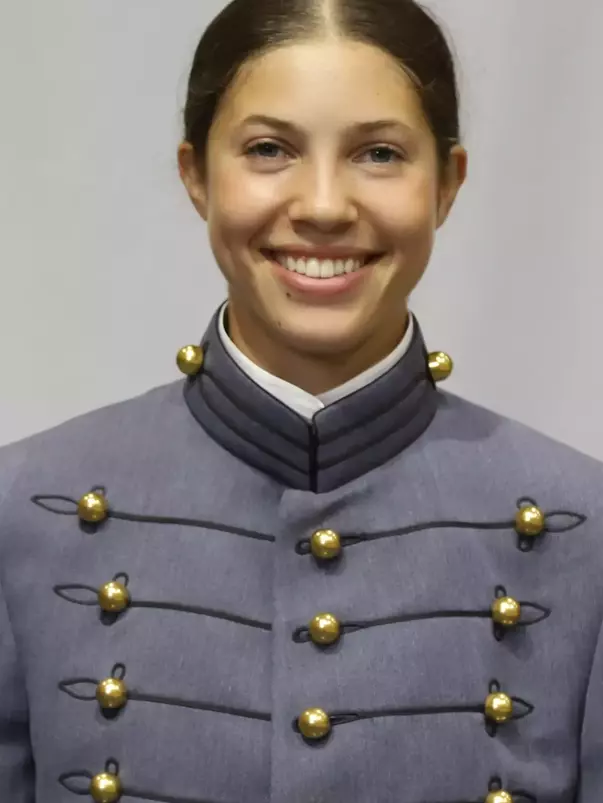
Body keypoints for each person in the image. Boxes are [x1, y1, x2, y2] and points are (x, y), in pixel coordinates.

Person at [0, 0, 602, 800]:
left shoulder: (581, 527)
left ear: (447, 184)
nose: (322, 204)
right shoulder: (23, 509)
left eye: (379, 153)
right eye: (268, 149)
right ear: (195, 176)